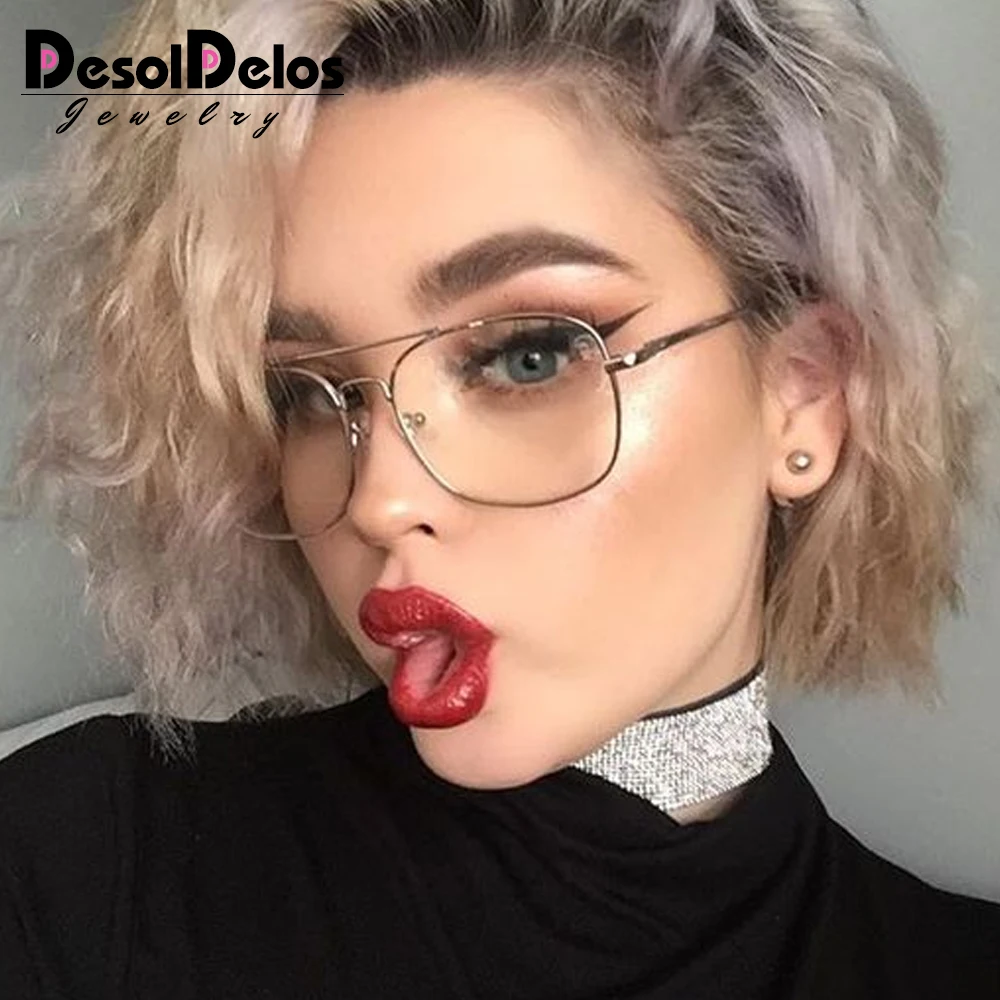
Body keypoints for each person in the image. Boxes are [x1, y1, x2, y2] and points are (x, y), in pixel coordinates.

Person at [0, 0, 997, 996]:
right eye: (306, 391)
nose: (379, 499)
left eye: (531, 353)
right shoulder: (87, 868)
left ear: (804, 396)